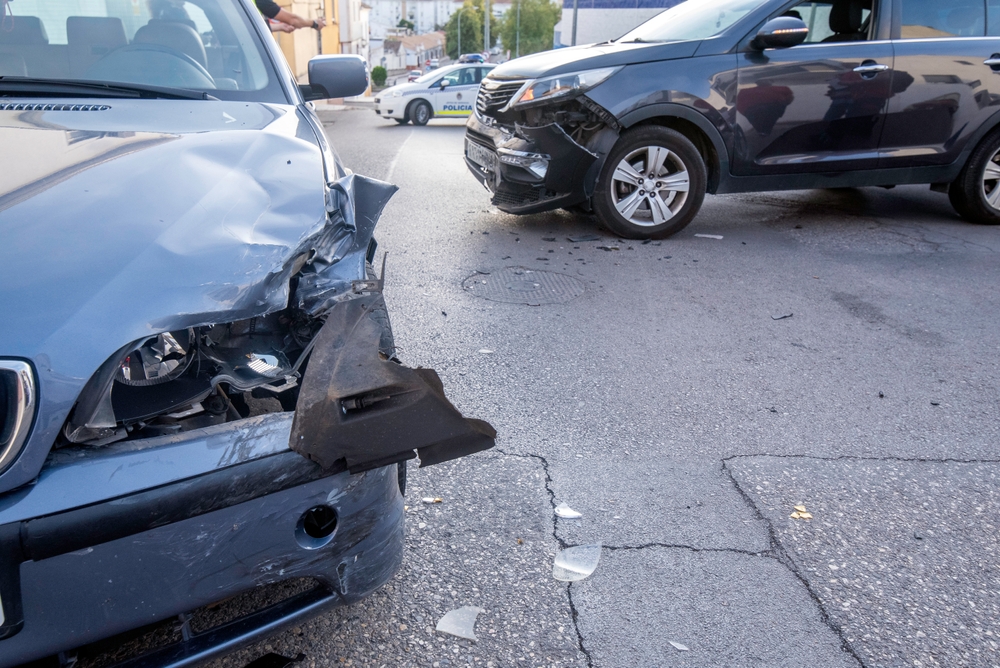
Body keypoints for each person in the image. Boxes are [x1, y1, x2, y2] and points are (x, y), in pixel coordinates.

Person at [255, 0, 326, 32]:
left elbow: (255, 27)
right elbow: (292, 19)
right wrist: (314, 23)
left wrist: (280, 26)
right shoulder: (261, 1)